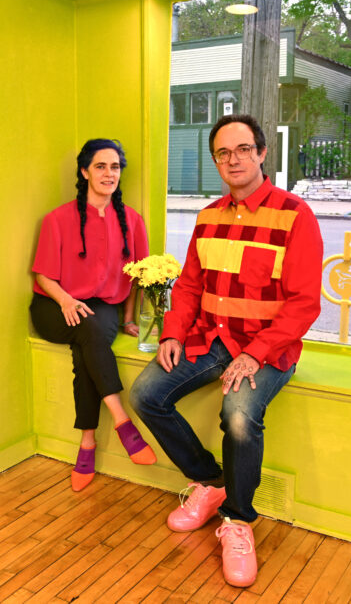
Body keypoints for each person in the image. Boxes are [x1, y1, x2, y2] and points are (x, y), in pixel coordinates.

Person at [130, 115, 322, 587]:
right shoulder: (208, 217)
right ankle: (212, 483)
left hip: (266, 348)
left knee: (238, 415)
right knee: (145, 394)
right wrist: (173, 331)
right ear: (216, 160)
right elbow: (192, 285)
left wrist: (256, 353)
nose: (232, 159)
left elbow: (303, 303)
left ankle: (238, 520)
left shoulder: (295, 215)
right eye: (222, 153)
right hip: (213, 339)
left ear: (261, 153)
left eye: (242, 149)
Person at [30, 138, 157, 491]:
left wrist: (129, 319)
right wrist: (66, 300)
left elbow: (138, 277)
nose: (108, 173)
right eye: (100, 166)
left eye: (114, 167)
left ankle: (87, 442)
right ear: (85, 172)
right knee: (89, 331)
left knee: (88, 343)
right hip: (53, 304)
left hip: (99, 308)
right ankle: (121, 420)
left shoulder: (132, 220)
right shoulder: (57, 219)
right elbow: (41, 273)